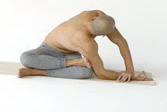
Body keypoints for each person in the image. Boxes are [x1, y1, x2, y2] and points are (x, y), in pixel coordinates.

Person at [18, 9, 151, 82]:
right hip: (47, 50)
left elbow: (121, 42)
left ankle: (37, 71)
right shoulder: (86, 42)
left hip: (70, 52)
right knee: (25, 58)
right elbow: (101, 73)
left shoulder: (98, 14)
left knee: (85, 72)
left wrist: (130, 70)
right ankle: (73, 62)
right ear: (105, 35)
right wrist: (131, 77)